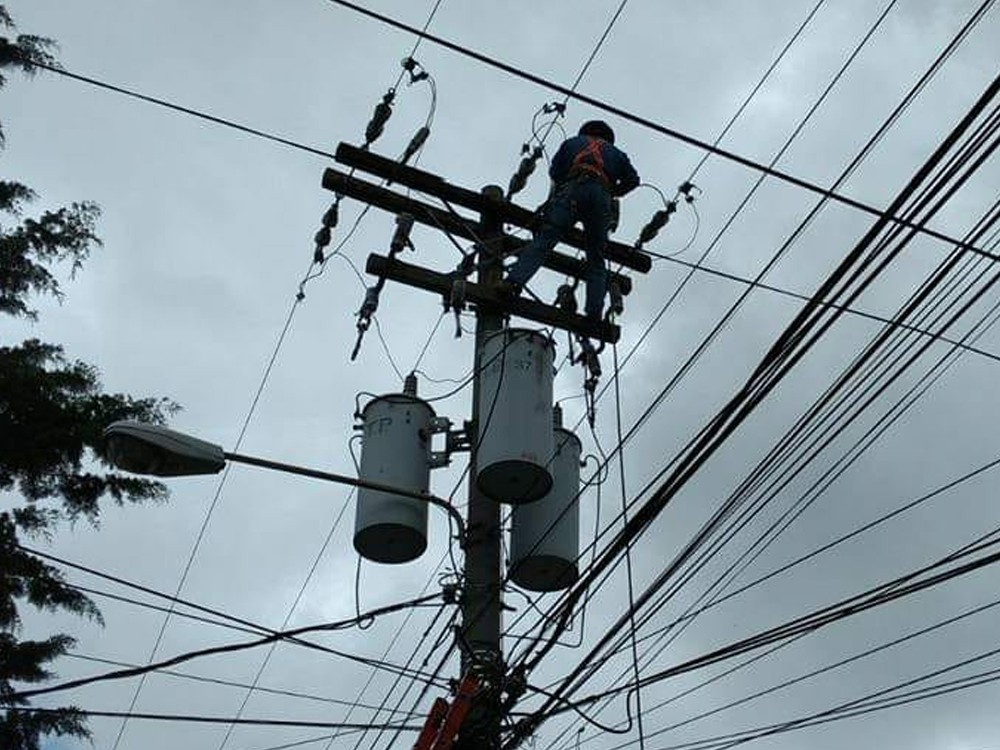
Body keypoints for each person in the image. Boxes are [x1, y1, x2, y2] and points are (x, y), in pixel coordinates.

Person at [501, 120, 640, 321]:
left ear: (585, 132)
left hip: (574, 189)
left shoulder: (572, 143)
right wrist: (612, 192)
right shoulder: (617, 154)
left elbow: (555, 173)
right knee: (596, 258)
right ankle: (594, 313)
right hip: (601, 198)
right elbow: (633, 180)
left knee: (546, 239)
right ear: (608, 138)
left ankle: (512, 283)